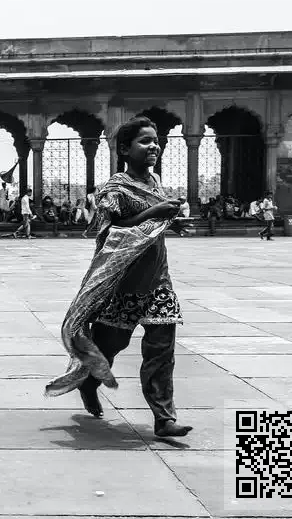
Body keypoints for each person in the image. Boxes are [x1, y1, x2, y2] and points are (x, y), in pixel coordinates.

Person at [46, 116, 193, 438]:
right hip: (123, 283)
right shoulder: (115, 189)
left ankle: (164, 418)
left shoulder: (155, 183)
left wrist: (171, 222)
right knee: (110, 346)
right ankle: (89, 382)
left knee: (161, 350)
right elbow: (107, 231)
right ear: (125, 149)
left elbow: (149, 227)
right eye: (145, 141)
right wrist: (155, 212)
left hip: (158, 280)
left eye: (156, 140)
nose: (154, 146)